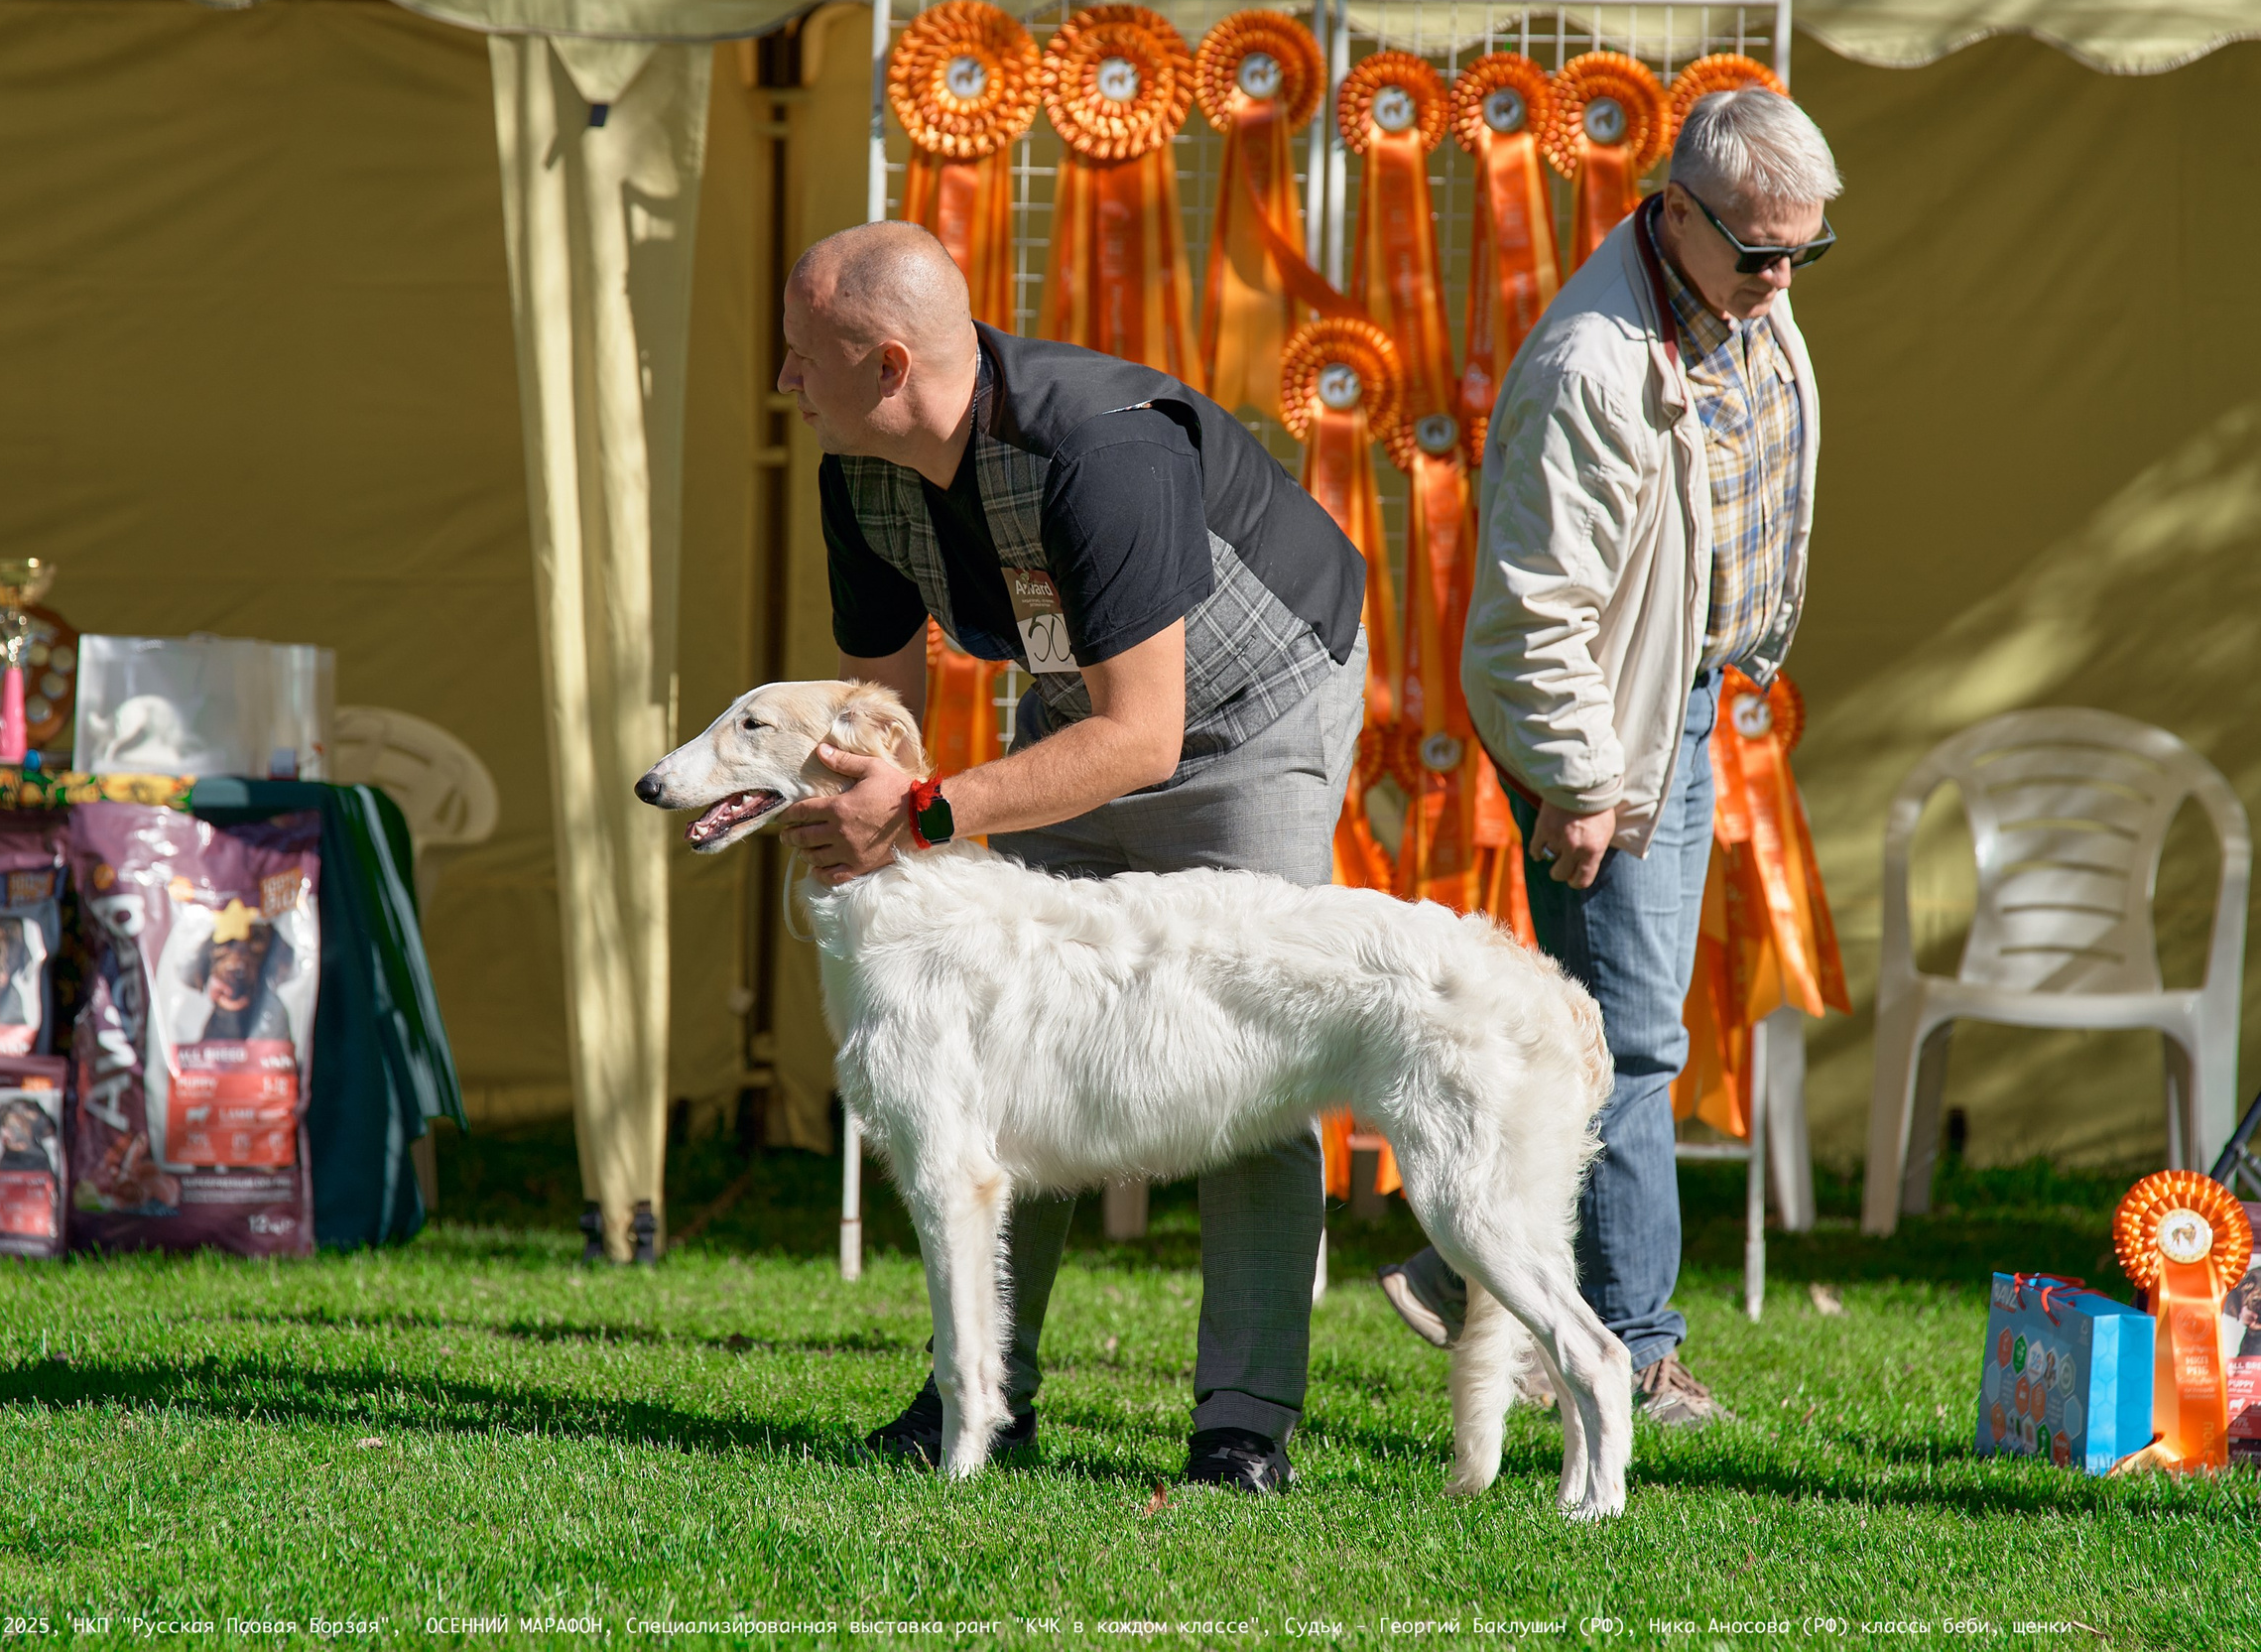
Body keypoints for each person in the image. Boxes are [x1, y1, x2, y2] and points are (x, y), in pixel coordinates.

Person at [773, 220, 1367, 1492]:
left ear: (888, 366)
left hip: (1251, 714)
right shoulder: (855, 467)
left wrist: (925, 814)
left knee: (1248, 1056)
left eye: (800, 356)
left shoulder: (1101, 451)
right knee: (1011, 1031)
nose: (782, 382)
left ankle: (1242, 1429)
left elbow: (1145, 737)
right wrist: (850, 805)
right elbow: (880, 718)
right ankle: (982, 1401)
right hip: (1084, 711)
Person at [1377, 87, 1842, 1427]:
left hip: (1670, 698)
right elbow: (1529, 622)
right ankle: (1633, 1349)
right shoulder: (1590, 368)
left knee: (1613, 1039)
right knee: (1627, 1049)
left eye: (1805, 254)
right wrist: (1582, 784)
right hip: (1598, 725)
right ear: (1676, 212)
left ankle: (1456, 1268)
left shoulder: (1733, 289)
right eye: (1758, 252)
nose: (1781, 281)